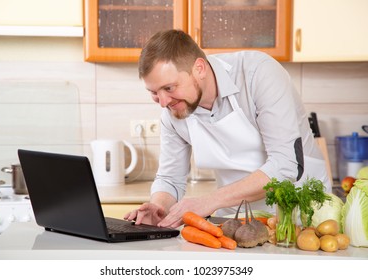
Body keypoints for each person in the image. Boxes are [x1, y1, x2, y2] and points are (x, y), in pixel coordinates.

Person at [124, 29, 331, 228]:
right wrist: (158, 206)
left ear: (199, 69)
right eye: (154, 92)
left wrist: (208, 201)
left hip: (300, 211)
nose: (162, 102)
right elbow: (170, 178)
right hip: (235, 217)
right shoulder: (173, 111)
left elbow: (286, 165)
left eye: (169, 88)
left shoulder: (258, 74)